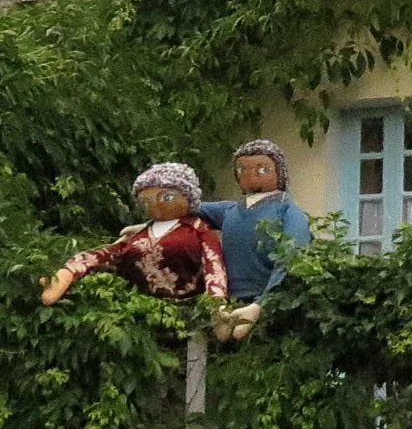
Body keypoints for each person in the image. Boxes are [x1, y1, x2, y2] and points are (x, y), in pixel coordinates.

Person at [40, 163, 229, 305]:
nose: (155, 205)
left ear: (188, 197)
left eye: (167, 197)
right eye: (146, 201)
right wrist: (66, 274)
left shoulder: (198, 230)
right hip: (138, 311)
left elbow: (214, 267)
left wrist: (216, 306)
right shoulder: (139, 234)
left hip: (187, 312)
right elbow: (101, 255)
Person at [198, 139, 310, 341]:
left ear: (279, 172)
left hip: (268, 303)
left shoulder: (287, 211)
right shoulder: (230, 210)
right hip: (230, 301)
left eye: (263, 168)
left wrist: (262, 304)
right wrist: (150, 226)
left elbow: (293, 257)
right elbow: (188, 210)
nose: (251, 175)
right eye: (242, 169)